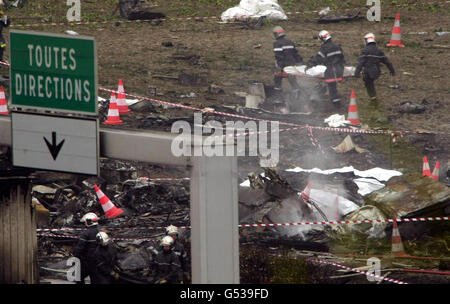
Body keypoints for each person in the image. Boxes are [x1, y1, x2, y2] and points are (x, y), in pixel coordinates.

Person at [307, 30, 345, 106]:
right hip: (339, 70)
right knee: (333, 87)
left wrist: (310, 64)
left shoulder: (325, 48)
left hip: (331, 71)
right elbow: (342, 59)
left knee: (332, 89)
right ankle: (337, 104)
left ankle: (336, 105)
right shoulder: (337, 46)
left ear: (323, 39)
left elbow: (318, 58)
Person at [354, 33, 395, 100]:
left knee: (368, 83)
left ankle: (373, 97)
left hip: (368, 72)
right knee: (370, 82)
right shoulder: (378, 50)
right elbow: (387, 61)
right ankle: (373, 96)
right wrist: (392, 70)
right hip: (376, 71)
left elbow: (360, 63)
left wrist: (357, 73)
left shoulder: (365, 51)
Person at [272, 26, 303, 96]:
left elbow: (279, 56)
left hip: (283, 66)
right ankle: (298, 96)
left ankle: (278, 97)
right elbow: (295, 53)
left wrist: (279, 67)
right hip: (291, 65)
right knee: (293, 81)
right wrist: (300, 62)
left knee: (277, 80)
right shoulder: (290, 42)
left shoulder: (277, 44)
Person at [73, 212, 100, 284]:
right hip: (97, 261)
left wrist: (75, 258)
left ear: (88, 222)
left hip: (86, 262)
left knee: (78, 277)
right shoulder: (99, 232)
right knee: (95, 279)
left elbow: (79, 249)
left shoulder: (85, 234)